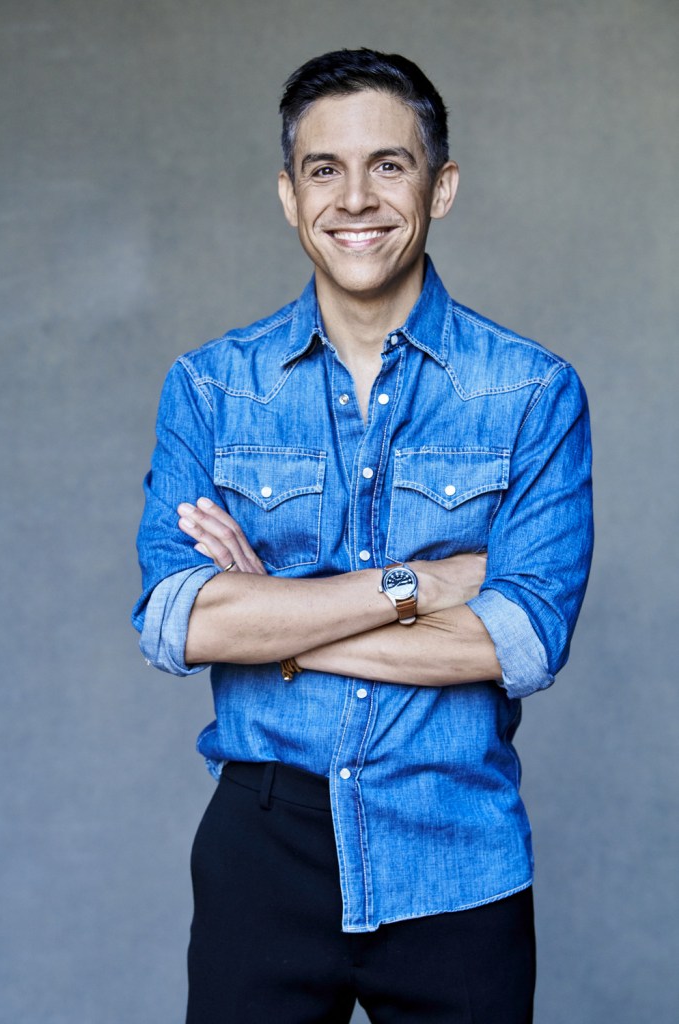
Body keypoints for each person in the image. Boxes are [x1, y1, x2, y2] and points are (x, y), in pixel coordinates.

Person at [133, 48, 593, 1024]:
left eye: (388, 164)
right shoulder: (211, 386)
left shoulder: (531, 392)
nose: (354, 199)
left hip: (456, 852)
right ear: (289, 197)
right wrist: (415, 584)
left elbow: (520, 641)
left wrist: (274, 626)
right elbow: (179, 622)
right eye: (323, 169)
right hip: (261, 853)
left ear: (440, 187)